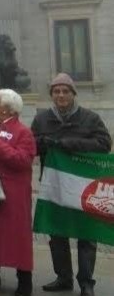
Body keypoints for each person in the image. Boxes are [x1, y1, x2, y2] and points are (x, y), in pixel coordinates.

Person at [32, 73, 111, 296]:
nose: (61, 95)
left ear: (73, 93)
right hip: (54, 186)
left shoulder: (90, 118)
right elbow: (32, 145)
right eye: (56, 91)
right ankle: (63, 277)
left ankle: (86, 282)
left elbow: (104, 144)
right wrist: (43, 144)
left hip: (84, 186)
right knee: (57, 233)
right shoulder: (41, 119)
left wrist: (66, 144)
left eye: (65, 91)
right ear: (52, 95)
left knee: (87, 235)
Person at [0, 89, 36, 296]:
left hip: (14, 192)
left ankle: (24, 282)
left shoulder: (23, 132)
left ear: (5, 108)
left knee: (17, 236)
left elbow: (22, 160)